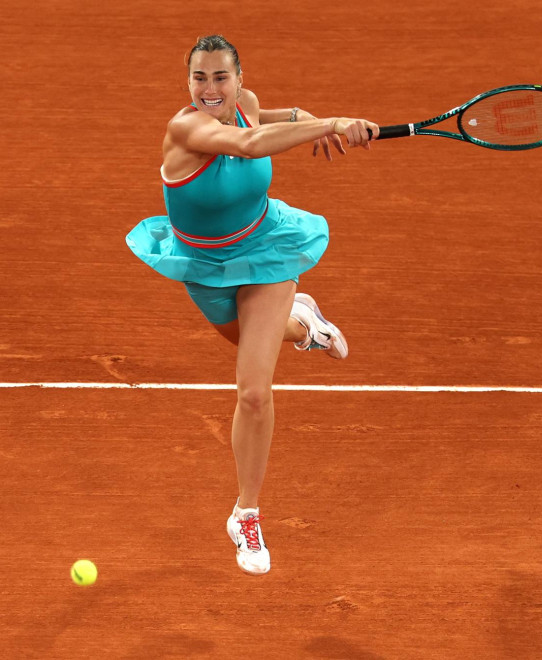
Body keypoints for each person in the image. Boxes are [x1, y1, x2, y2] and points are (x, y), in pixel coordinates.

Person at [126, 35, 379, 575]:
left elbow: (267, 117)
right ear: (188, 83)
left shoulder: (247, 104)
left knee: (254, 391)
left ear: (239, 80)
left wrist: (306, 116)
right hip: (205, 267)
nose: (211, 88)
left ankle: (246, 512)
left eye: (221, 77)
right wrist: (332, 123)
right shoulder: (186, 128)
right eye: (200, 78)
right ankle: (304, 325)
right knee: (250, 340)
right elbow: (247, 146)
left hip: (267, 248)